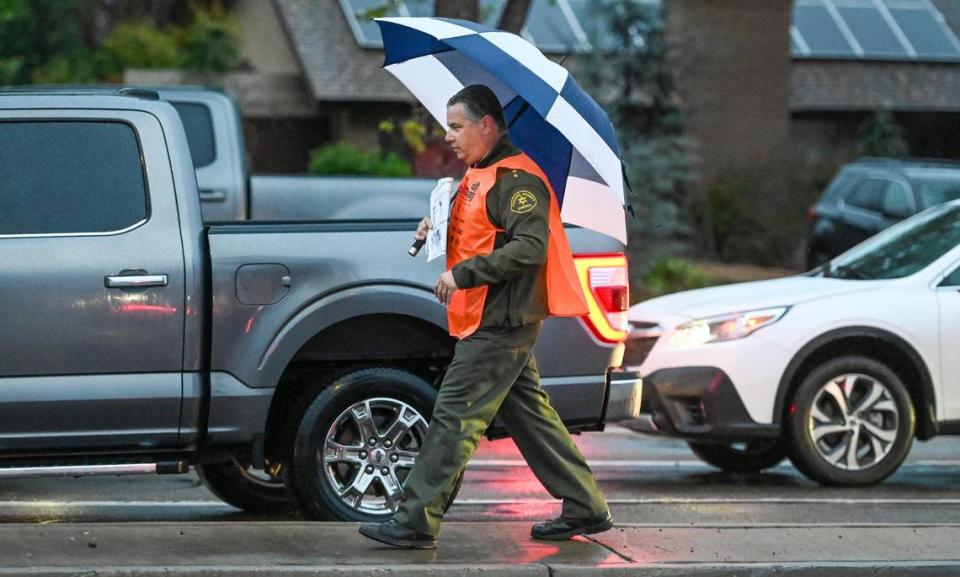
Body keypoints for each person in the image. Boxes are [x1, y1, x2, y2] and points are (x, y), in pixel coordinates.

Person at [359, 84, 611, 549]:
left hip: (500, 320)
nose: (449, 137)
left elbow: (529, 248)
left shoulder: (518, 180)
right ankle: (586, 506)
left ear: (487, 125)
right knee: (532, 418)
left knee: (454, 416)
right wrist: (439, 225)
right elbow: (480, 229)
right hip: (487, 318)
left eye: (457, 127)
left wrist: (465, 275)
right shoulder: (481, 171)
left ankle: (415, 520)